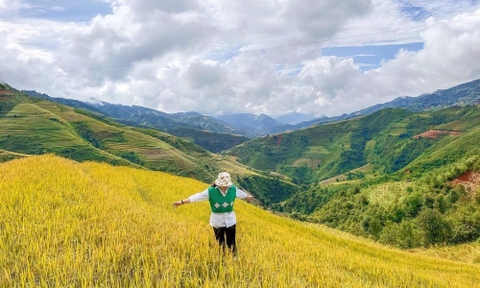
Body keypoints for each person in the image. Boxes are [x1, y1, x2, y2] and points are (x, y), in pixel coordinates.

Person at [172, 172, 254, 255]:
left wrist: (248, 197)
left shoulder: (233, 189)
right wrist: (182, 202)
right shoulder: (210, 191)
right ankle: (223, 258)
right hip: (217, 220)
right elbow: (197, 197)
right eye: (224, 186)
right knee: (220, 243)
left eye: (227, 186)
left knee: (232, 243)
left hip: (230, 220)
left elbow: (241, 194)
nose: (226, 187)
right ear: (218, 184)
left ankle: (234, 258)